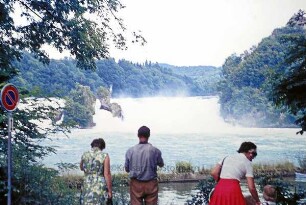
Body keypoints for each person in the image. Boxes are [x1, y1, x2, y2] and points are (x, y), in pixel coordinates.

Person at [125, 126, 164, 205]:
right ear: (149, 136)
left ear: (138, 135)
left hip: (136, 184)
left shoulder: (130, 151)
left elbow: (127, 169)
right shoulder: (155, 150)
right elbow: (161, 164)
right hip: (151, 184)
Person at [80, 138, 112, 204]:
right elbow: (107, 174)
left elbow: (81, 168)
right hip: (99, 184)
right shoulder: (104, 155)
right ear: (102, 147)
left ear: (92, 145)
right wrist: (110, 191)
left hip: (87, 183)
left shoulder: (85, 154)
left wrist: (89, 171)